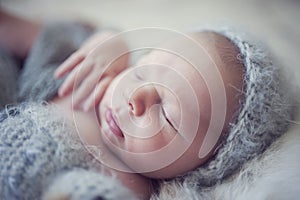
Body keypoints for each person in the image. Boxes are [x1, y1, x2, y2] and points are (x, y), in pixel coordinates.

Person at [0, 9, 295, 200]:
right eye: (143, 70)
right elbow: (48, 39)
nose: (135, 97)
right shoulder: (93, 83)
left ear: (207, 164)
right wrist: (107, 42)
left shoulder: (138, 188)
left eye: (168, 117)